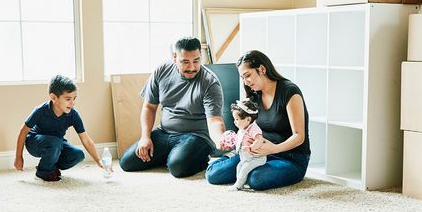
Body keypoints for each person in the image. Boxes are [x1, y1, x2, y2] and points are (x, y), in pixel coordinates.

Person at [119, 37, 226, 178]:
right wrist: (145, 137)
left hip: (196, 136)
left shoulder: (210, 82)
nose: (192, 67)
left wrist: (220, 139)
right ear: (175, 57)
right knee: (127, 163)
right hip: (164, 132)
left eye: (196, 61)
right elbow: (149, 107)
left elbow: (215, 120)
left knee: (177, 168)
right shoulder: (162, 70)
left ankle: (193, 158)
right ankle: (173, 156)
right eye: (185, 62)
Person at [206, 50, 310, 190]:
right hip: (257, 153)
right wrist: (235, 143)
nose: (245, 82)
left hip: (290, 157)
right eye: (242, 77)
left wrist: (274, 148)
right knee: (213, 174)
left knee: (256, 179)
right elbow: (248, 129)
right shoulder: (254, 96)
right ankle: (232, 158)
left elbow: (299, 136)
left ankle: (244, 168)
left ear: (262, 69)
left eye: (247, 76)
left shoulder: (289, 92)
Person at [14, 74, 105, 182]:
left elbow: (85, 139)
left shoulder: (73, 115)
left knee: (78, 155)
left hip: (56, 143)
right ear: (53, 97)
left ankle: (51, 167)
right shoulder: (40, 111)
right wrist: (18, 157)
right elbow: (23, 132)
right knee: (55, 142)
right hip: (34, 142)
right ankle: (43, 172)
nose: (72, 103)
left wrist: (99, 160)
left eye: (74, 98)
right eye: (68, 99)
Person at [218, 98, 267, 191]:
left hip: (256, 158)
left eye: (237, 119)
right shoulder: (242, 129)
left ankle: (237, 185)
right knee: (239, 166)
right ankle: (240, 184)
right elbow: (240, 141)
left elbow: (259, 140)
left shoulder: (254, 129)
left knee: (245, 168)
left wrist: (250, 147)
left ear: (248, 119)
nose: (234, 122)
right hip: (245, 157)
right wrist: (231, 142)